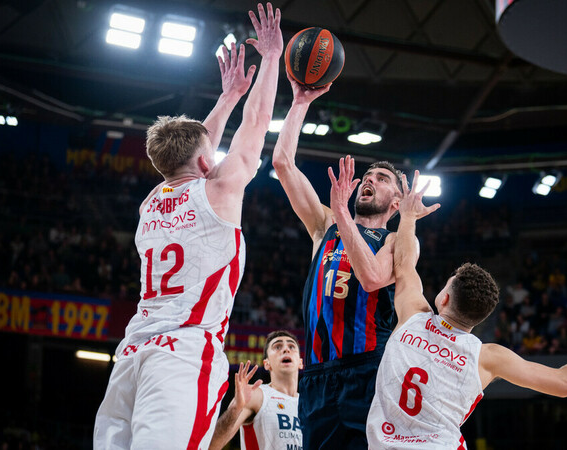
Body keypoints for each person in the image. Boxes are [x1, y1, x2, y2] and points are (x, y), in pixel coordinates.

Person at [93, 4, 283, 449]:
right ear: (205, 161)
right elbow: (254, 128)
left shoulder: (151, 202)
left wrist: (227, 97)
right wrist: (271, 57)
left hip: (131, 354)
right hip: (182, 355)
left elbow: (196, 152)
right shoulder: (218, 191)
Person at [366, 171, 567, 449]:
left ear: (444, 300)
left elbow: (403, 264)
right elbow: (566, 384)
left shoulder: (414, 317)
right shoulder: (487, 357)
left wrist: (409, 217)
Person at [271, 79, 407, 448]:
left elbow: (373, 277)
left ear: (397, 203)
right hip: (315, 373)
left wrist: (343, 215)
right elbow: (283, 163)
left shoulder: (396, 241)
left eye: (382, 179)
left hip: (367, 369)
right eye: (368, 176)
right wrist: (300, 101)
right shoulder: (325, 225)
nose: (370, 180)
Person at [208, 331, 303, 450]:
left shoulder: (310, 405)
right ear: (267, 364)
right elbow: (212, 446)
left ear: (300, 362)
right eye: (277, 346)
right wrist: (235, 408)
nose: (286, 350)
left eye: (291, 346)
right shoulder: (257, 396)